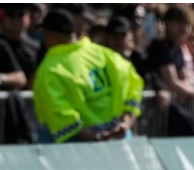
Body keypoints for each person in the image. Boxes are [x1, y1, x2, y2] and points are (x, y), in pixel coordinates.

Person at [32, 8, 143, 143]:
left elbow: (61, 116)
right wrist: (125, 123)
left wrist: (97, 138)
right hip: (118, 141)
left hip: (76, 151)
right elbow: (134, 85)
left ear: (49, 35)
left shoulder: (50, 70)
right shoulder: (105, 55)